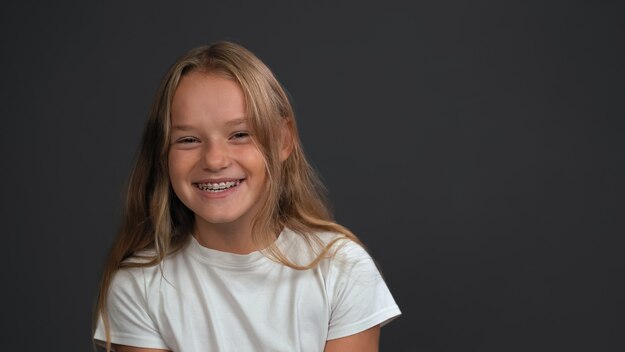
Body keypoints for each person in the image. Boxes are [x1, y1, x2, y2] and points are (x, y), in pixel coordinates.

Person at [93, 41, 401, 352]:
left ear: (283, 139)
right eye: (188, 139)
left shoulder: (342, 269)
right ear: (163, 154)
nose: (214, 160)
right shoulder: (140, 286)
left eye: (240, 134)